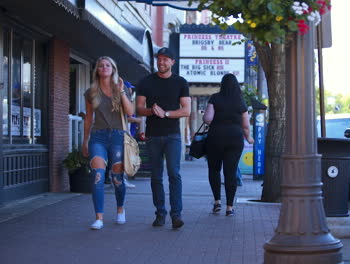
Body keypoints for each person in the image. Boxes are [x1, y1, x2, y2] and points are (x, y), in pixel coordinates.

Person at [136, 47, 191, 229]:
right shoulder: (146, 82)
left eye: (166, 59)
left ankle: (176, 215)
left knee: (174, 174)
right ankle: (160, 213)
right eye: (159, 59)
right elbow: (139, 108)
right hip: (153, 135)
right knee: (156, 176)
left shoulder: (181, 82)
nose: (161, 62)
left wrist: (166, 113)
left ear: (172, 62)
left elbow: (186, 110)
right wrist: (151, 111)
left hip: (173, 135)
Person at [82, 56, 134, 230]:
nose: (104, 68)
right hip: (98, 137)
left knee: (117, 177)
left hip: (118, 136)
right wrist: (85, 140)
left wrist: (120, 92)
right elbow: (89, 118)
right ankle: (99, 218)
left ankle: (120, 209)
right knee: (97, 175)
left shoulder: (122, 87)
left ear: (113, 68)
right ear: (97, 70)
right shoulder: (91, 92)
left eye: (107, 65)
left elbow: (130, 112)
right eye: (101, 66)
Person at [203, 73, 254, 216]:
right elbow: (245, 125)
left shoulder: (215, 98)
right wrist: (248, 137)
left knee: (214, 170)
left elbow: (207, 119)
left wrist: (205, 115)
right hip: (235, 140)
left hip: (215, 138)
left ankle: (217, 201)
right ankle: (230, 207)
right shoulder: (240, 102)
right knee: (230, 172)